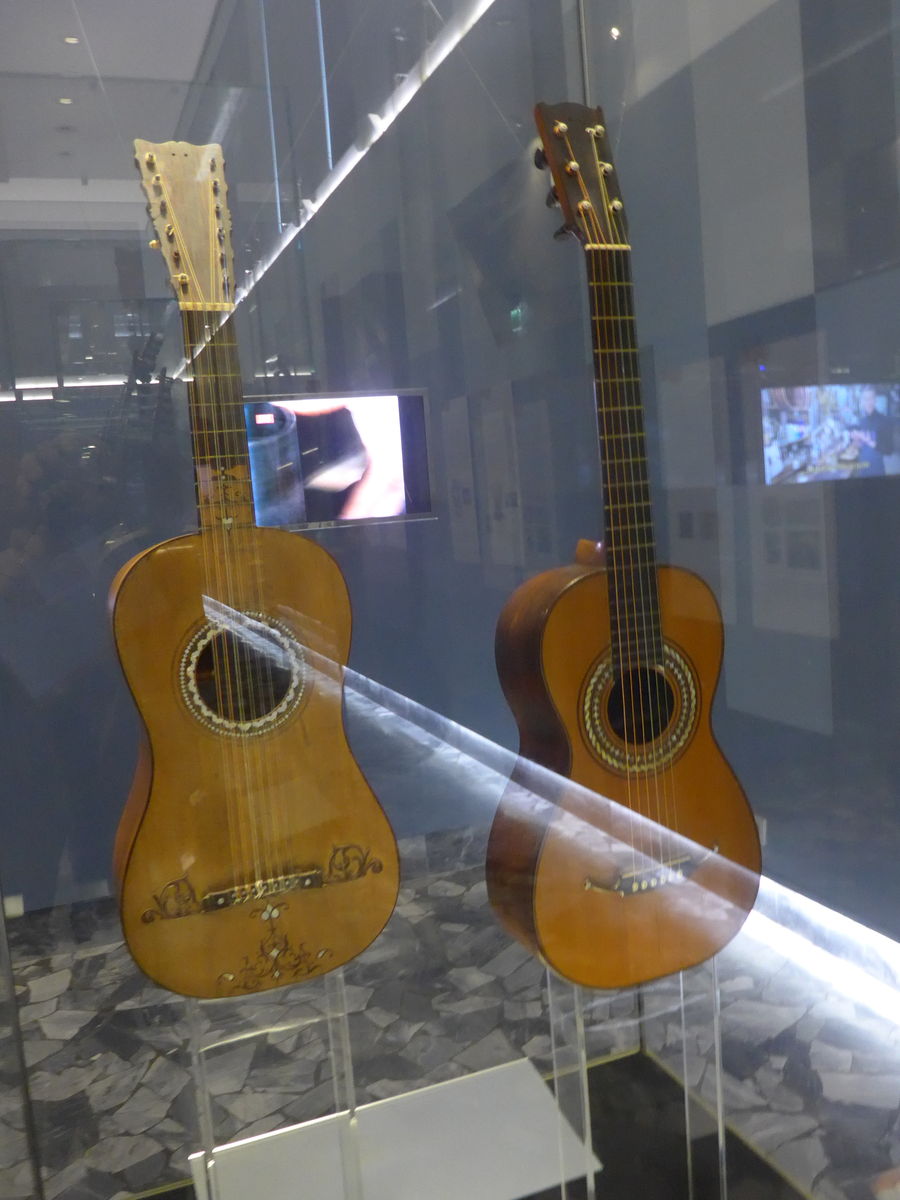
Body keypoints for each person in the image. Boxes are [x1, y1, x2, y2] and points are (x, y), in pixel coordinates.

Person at [851, 387, 892, 477]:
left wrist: (870, 441)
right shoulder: (861, 421)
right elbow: (860, 446)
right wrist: (856, 442)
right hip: (863, 468)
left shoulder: (884, 420)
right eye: (865, 399)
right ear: (862, 401)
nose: (868, 402)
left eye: (871, 398)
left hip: (877, 470)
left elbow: (888, 450)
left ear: (875, 399)